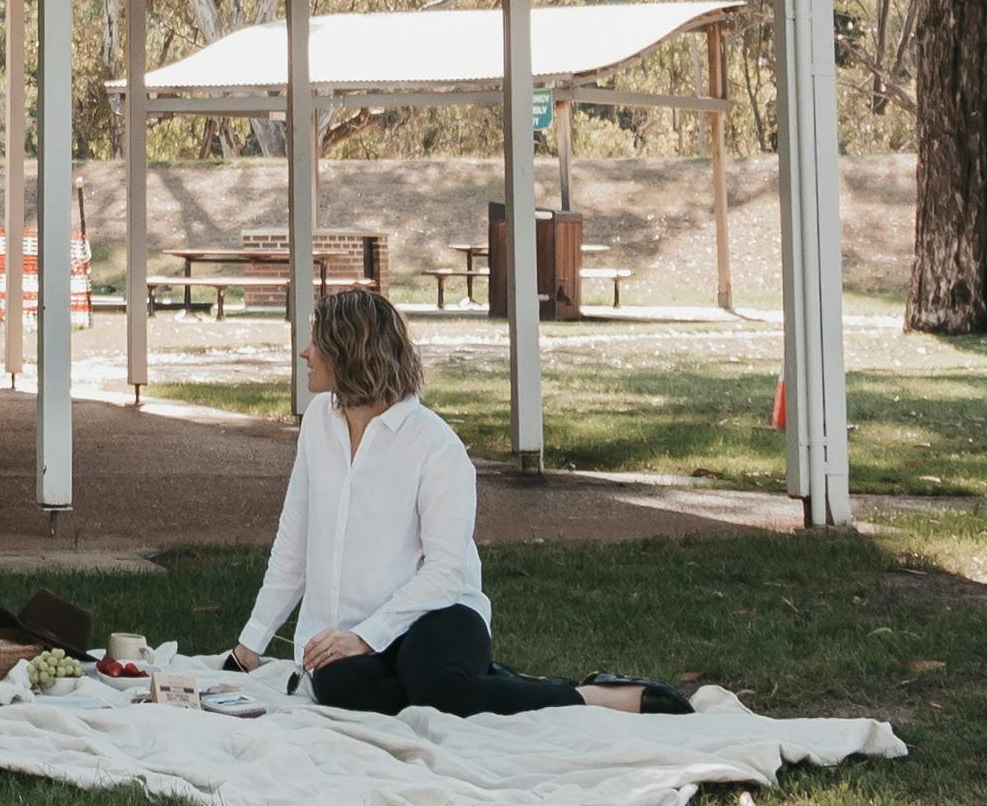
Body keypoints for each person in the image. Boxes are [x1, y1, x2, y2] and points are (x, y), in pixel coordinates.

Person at [232, 285, 685, 717]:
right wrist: (250, 645)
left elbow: (445, 575)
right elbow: (294, 540)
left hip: (440, 612)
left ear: (351, 353)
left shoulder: (435, 445)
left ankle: (595, 696)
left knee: (438, 690)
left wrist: (365, 639)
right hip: (357, 629)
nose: (304, 352)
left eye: (317, 341)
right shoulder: (318, 422)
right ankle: (486, 682)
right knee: (338, 686)